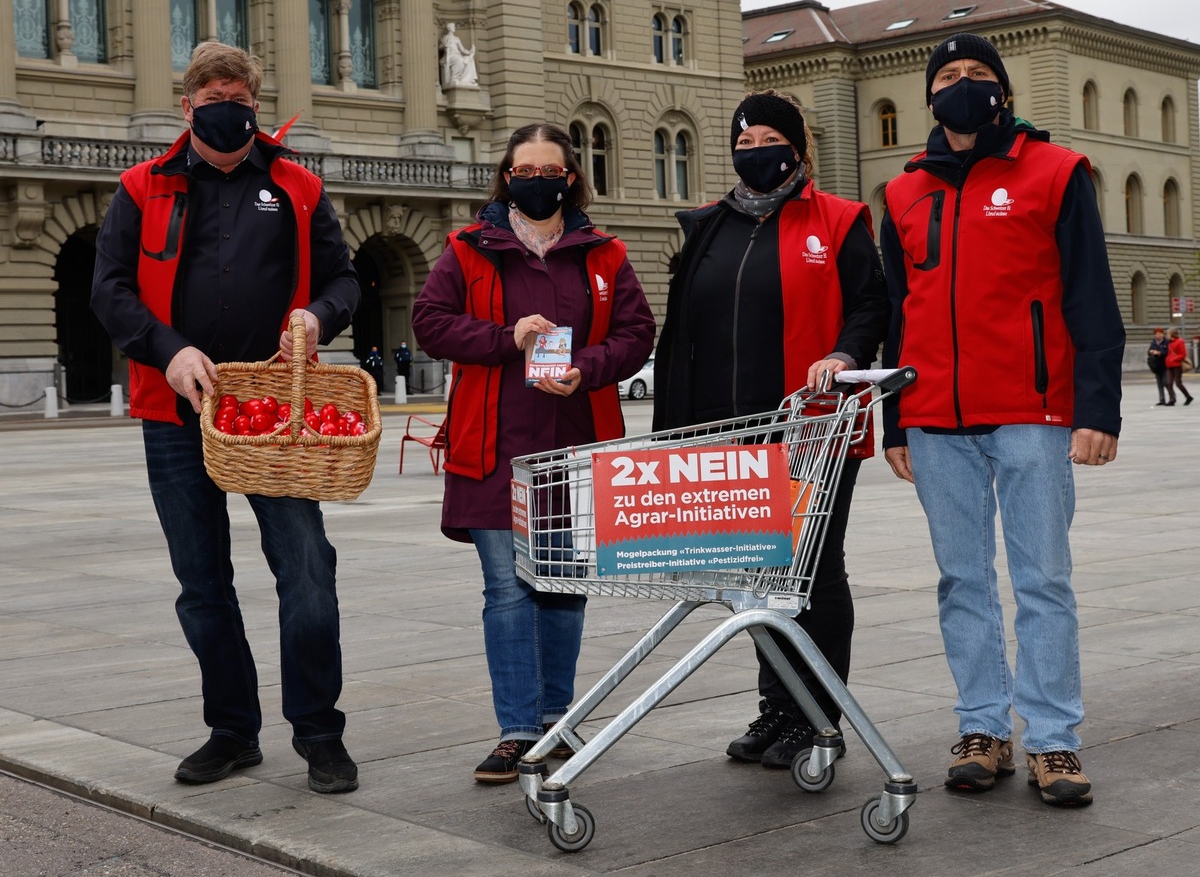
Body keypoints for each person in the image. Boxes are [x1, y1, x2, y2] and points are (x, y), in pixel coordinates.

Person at [90, 42, 362, 794]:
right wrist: (168, 351)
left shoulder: (298, 185)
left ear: (254, 102)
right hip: (176, 407)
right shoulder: (141, 187)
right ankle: (232, 729)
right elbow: (110, 290)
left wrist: (316, 314)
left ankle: (319, 732)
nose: (227, 104)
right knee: (201, 581)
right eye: (212, 93)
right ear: (187, 106)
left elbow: (345, 280)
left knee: (307, 568)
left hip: (274, 409)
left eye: (239, 93)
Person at [880, 33, 1125, 807]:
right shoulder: (902, 192)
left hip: (1034, 410)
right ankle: (983, 727)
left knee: (1043, 579)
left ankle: (1054, 740)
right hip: (934, 417)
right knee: (962, 581)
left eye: (978, 75)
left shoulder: (1056, 173)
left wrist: (1098, 407)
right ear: (929, 97)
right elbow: (896, 311)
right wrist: (893, 419)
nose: (962, 85)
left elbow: (1091, 292)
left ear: (1005, 95)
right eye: (947, 76)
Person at [412, 122, 655, 783]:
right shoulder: (468, 248)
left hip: (574, 445)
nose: (538, 179)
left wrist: (591, 363)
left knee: (563, 588)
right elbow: (429, 322)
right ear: (507, 177)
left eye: (551, 169)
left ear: (570, 178)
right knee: (509, 591)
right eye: (525, 169)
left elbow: (639, 331)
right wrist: (504, 336)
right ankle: (517, 729)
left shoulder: (604, 253)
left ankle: (556, 720)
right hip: (492, 446)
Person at [654, 89, 889, 770]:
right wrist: (677, 435)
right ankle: (779, 707)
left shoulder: (839, 221)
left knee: (811, 573)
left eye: (769, 140)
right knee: (756, 577)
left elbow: (871, 307)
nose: (756, 152)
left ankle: (818, 717)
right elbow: (681, 333)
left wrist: (845, 355)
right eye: (745, 142)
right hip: (729, 434)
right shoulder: (708, 226)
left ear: (798, 148)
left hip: (810, 430)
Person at [440, 22, 478, 88]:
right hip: (450, 56)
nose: (454, 28)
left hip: (457, 55)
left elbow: (462, 49)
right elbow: (440, 47)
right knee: (459, 60)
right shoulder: (445, 37)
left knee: (468, 59)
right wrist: (445, 46)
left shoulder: (457, 38)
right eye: (453, 27)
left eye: (454, 26)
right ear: (449, 28)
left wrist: (470, 52)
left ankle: (466, 80)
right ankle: (454, 78)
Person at [1164, 327, 1193, 406]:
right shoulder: (1168, 342)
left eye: (1167, 333)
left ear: (1171, 334)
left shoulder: (1180, 341)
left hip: (1177, 365)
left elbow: (1183, 354)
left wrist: (1173, 359)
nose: (1166, 335)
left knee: (1178, 383)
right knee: (1168, 383)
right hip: (1169, 365)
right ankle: (1172, 399)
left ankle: (1188, 396)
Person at [1148, 327, 1170, 405]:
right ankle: (1162, 399)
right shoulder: (1153, 342)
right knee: (1159, 383)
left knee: (1166, 382)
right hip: (1156, 366)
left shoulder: (1166, 342)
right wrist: (1151, 351)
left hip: (1165, 365)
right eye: (1157, 334)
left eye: (1160, 334)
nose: (1159, 335)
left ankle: (1171, 398)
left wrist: (1159, 353)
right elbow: (1149, 351)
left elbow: (1167, 352)